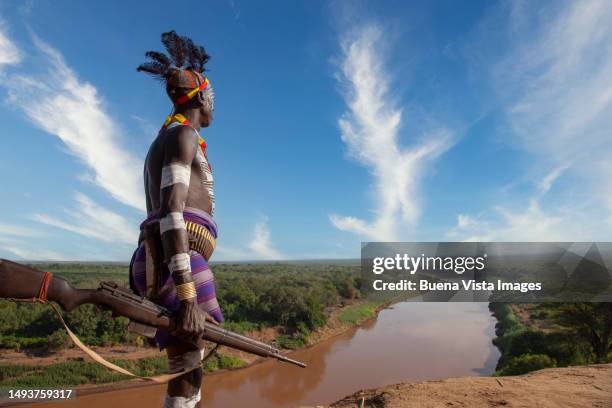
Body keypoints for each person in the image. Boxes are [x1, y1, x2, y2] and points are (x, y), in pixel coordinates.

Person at [130, 31, 222, 408]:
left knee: (191, 361)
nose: (215, 105)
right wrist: (186, 295)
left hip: (166, 259)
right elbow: (171, 211)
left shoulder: (168, 138)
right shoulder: (182, 135)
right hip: (173, 263)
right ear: (201, 97)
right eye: (213, 98)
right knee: (187, 363)